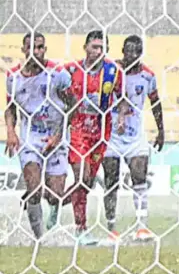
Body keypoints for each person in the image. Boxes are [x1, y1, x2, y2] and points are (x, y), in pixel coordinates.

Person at [4, 32, 73, 240]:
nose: (36, 51)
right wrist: (10, 132)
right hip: (31, 137)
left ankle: (48, 204)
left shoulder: (58, 74)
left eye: (40, 47)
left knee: (54, 197)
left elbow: (73, 106)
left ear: (45, 49)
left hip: (56, 136)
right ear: (23, 50)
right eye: (32, 47)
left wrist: (58, 136)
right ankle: (40, 239)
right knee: (34, 189)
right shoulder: (13, 77)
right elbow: (10, 108)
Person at [64, 30, 127, 246]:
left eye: (102, 48)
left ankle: (57, 203)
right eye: (95, 47)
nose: (99, 51)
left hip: (100, 133)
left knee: (87, 183)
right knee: (82, 177)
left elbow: (123, 98)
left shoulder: (113, 71)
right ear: (85, 48)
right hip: (77, 130)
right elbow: (55, 91)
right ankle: (81, 229)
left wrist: (121, 117)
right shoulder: (71, 70)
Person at [103, 35, 165, 242]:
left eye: (136, 52)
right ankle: (111, 229)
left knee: (139, 176)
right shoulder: (111, 70)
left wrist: (161, 131)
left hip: (135, 136)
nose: (131, 55)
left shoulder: (147, 76)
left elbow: (155, 102)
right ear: (122, 51)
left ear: (141, 53)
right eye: (128, 51)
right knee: (111, 180)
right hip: (111, 135)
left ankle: (142, 227)